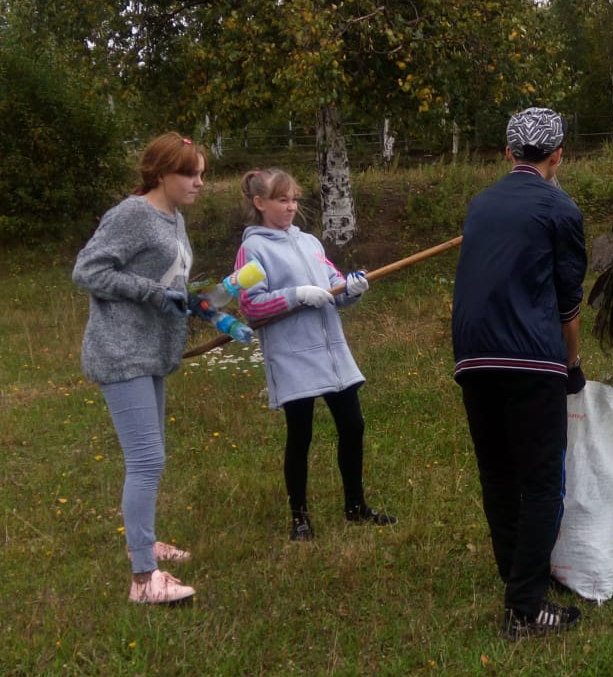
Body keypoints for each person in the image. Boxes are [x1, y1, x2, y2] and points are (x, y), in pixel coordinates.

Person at [452, 107, 588, 639]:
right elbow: (568, 302)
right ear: (558, 155)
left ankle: (516, 574)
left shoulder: (480, 204)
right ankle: (525, 609)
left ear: (508, 153)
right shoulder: (560, 207)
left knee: (497, 474)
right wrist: (571, 365)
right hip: (532, 357)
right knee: (540, 484)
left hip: (473, 357)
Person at [73, 132, 207, 605]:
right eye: (189, 174)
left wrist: (199, 304)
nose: (198, 183)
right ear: (160, 173)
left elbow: (168, 281)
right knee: (147, 460)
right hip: (121, 349)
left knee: (153, 456)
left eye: (201, 174)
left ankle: (146, 541)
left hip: (152, 351)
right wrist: (151, 294)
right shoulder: (131, 214)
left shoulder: (175, 219)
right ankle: (143, 580)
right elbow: (87, 271)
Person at [236, 168, 395, 542]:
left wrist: (351, 289)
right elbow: (251, 306)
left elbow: (334, 289)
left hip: (331, 352)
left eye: (294, 199)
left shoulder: (310, 243)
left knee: (353, 425)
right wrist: (296, 295)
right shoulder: (252, 249)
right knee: (301, 433)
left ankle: (355, 508)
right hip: (292, 354)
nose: (291, 207)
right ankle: (299, 518)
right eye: (282, 200)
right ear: (260, 204)